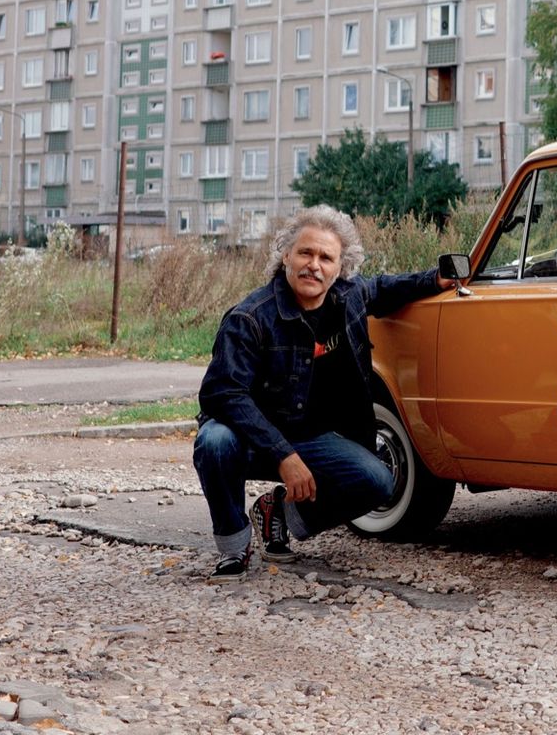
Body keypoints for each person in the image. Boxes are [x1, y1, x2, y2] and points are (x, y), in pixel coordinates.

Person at [192, 205, 458, 579]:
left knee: (378, 481)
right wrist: (284, 455)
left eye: (325, 257)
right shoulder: (249, 318)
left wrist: (436, 280)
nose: (313, 265)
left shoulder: (349, 297)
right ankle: (234, 547)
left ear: (339, 268)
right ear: (285, 256)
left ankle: (278, 514)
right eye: (305, 253)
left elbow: (384, 287)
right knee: (213, 440)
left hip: (312, 438)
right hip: (250, 439)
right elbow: (224, 395)